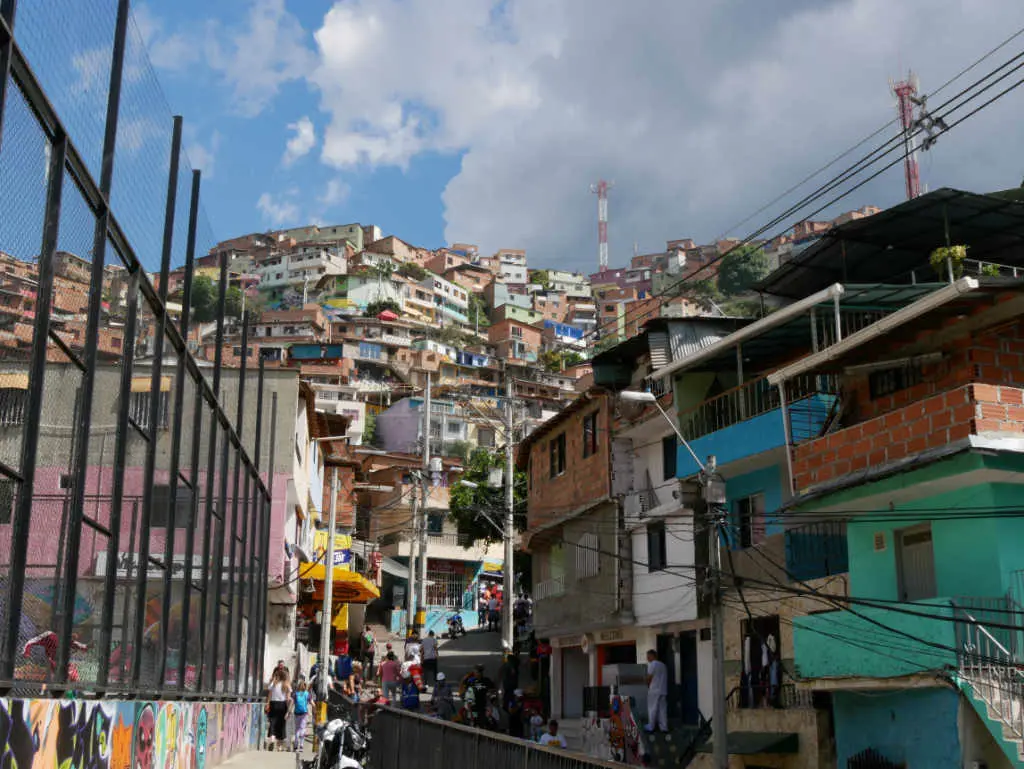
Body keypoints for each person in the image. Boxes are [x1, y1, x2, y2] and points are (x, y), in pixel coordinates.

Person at [265, 667, 291, 751]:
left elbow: (269, 694)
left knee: (272, 722)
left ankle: (272, 739)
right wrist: (288, 710)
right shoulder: (286, 685)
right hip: (282, 705)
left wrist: (267, 704)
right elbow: (288, 698)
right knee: (281, 724)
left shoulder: (273, 684)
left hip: (273, 704)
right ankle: (279, 746)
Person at [644, 649, 669, 733]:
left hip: (654, 690)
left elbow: (649, 677)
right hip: (663, 690)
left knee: (652, 708)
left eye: (648, 656)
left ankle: (651, 727)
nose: (647, 658)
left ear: (652, 656)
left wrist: (647, 684)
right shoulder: (663, 665)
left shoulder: (652, 664)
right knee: (662, 709)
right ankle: (664, 727)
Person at [292, 678, 311, 752]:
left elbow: (291, 703)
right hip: (304, 713)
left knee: (297, 729)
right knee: (302, 728)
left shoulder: (295, 694)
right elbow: (312, 703)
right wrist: (315, 708)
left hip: (297, 713)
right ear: (305, 686)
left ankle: (296, 745)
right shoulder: (307, 694)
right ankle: (301, 745)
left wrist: (288, 712)